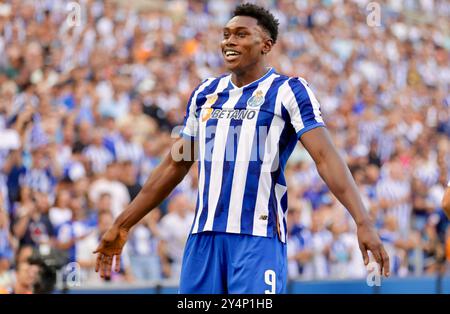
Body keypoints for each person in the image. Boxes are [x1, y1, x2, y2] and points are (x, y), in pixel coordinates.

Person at [94, 3, 390, 294]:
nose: (229, 41)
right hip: (203, 239)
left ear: (266, 44)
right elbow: (176, 164)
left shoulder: (288, 91)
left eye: (241, 34)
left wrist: (362, 221)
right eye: (226, 34)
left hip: (257, 238)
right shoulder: (206, 93)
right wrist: (122, 224)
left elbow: (326, 158)